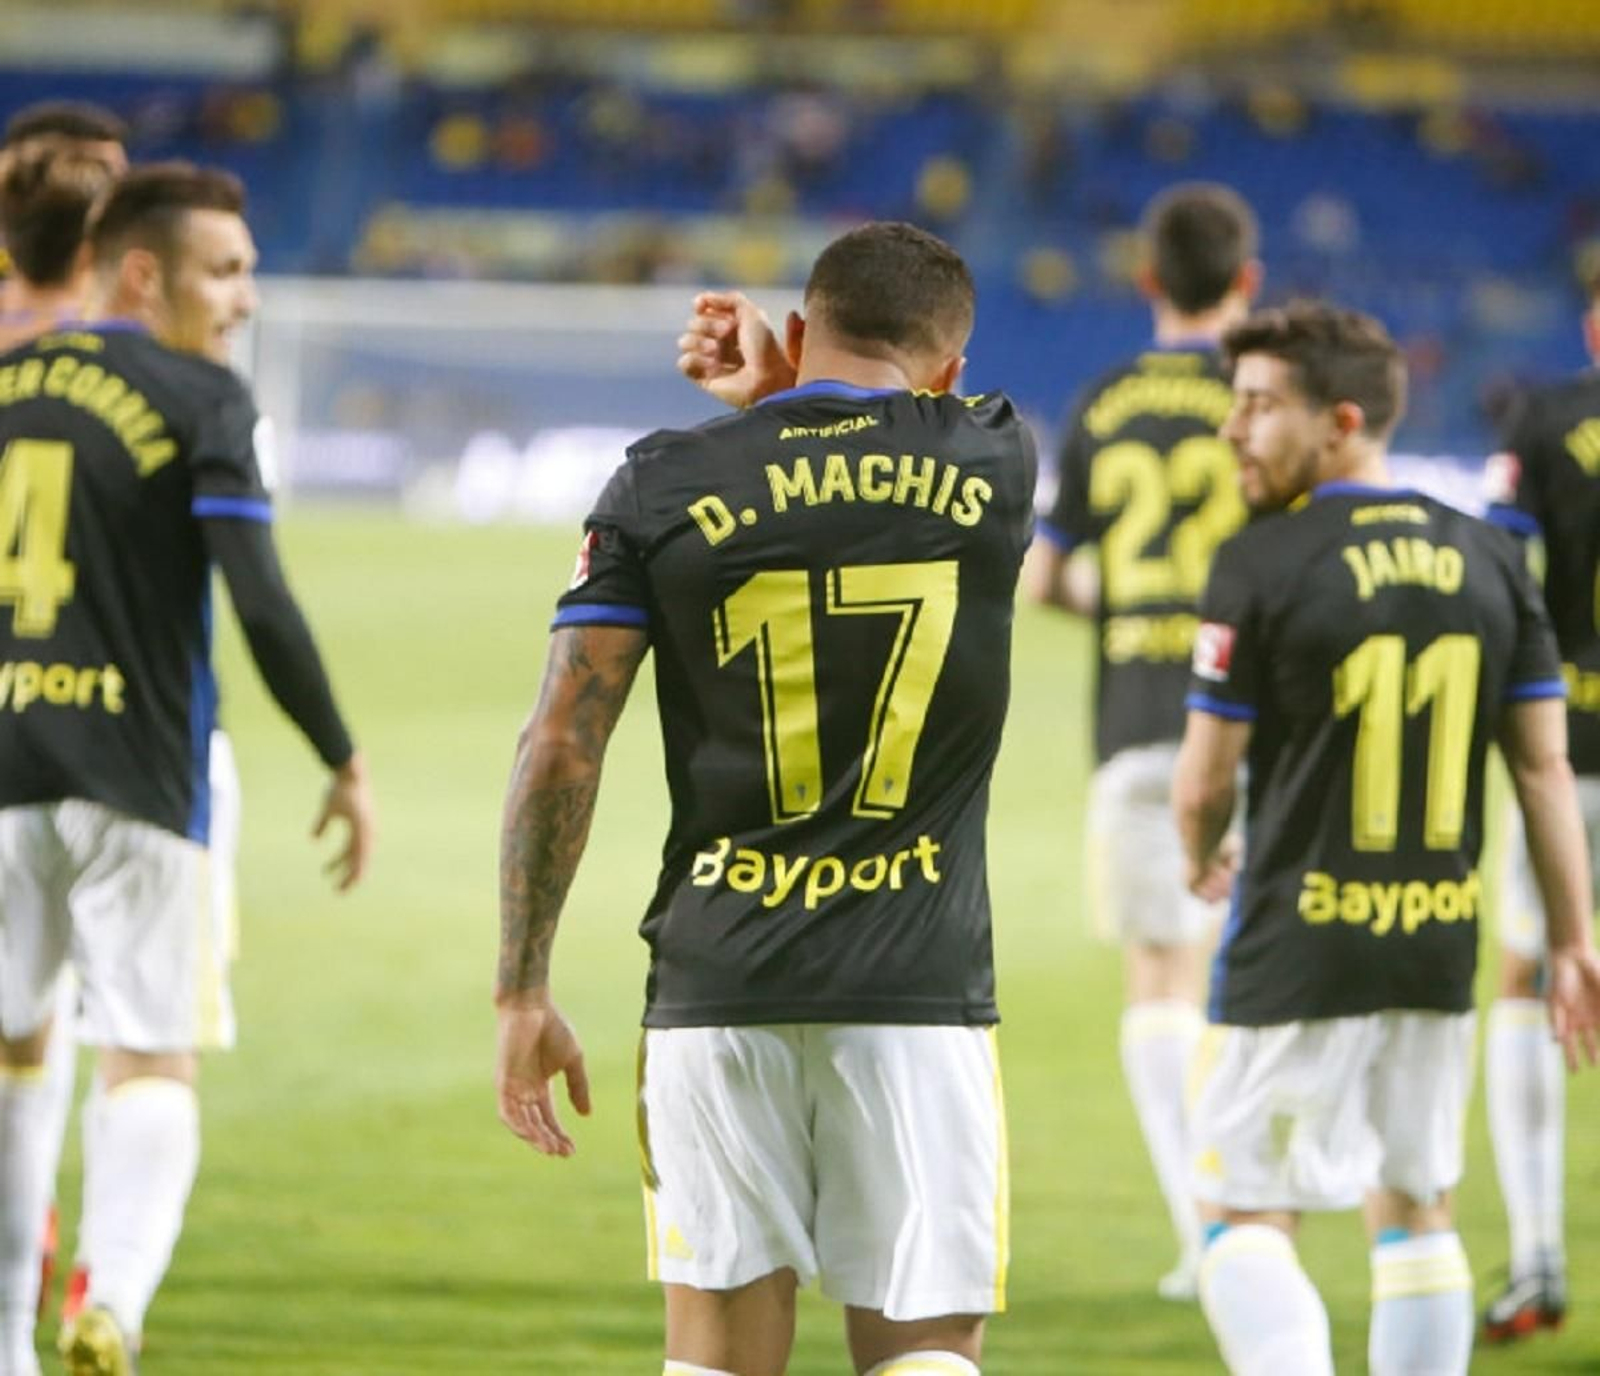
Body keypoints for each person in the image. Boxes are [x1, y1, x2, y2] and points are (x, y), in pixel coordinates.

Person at [495, 221, 1035, 1376]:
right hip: (916, 988)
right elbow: (869, 460)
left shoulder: (659, 480)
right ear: (948, 369)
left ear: (799, 326)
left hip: (717, 981)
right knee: (925, 1350)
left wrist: (522, 984)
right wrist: (789, 396)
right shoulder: (992, 460)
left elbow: (562, 742)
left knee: (717, 1358)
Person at [1172, 299, 1600, 1376]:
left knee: (1239, 1214)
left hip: (1294, 940)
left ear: (1341, 421)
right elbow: (1542, 768)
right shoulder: (1487, 558)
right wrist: (1570, 937)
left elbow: (1204, 780)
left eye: (1259, 406)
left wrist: (1198, 849)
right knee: (1415, 1208)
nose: (1233, 428)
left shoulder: (1261, 559)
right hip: (1434, 944)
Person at [0, 162, 375, 1376]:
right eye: (225, 271)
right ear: (142, 273)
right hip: (143, 774)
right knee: (153, 1050)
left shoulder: (6, 381)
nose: (246, 298)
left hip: (3, 769)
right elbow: (258, 597)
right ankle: (112, 1295)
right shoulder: (202, 396)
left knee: (12, 1048)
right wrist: (338, 750)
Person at [1021, 181, 1260, 1300]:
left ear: (1147, 279)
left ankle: (1205, 1234)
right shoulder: (1262, 394)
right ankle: (1252, 1223)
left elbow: (1042, 578)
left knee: (1157, 977)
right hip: (1259, 724)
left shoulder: (1107, 400)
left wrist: (1126, 610)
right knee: (1237, 971)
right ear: (1247, 280)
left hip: (1137, 721)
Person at [1477, 264, 1600, 1343]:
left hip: (1568, 749)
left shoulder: (1544, 419)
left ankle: (1537, 1259)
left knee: (1527, 976)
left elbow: (1502, 579)